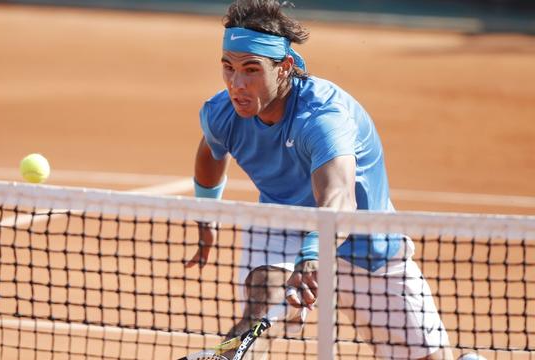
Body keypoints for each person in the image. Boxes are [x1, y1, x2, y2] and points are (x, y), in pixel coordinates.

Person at [185, 0, 452, 358]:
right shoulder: (224, 112)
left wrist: (314, 255)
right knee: (260, 313)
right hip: (282, 225)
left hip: (364, 240)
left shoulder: (322, 118)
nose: (237, 84)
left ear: (284, 68)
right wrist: (207, 215)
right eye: (228, 68)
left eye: (251, 70)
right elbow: (210, 152)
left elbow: (339, 198)